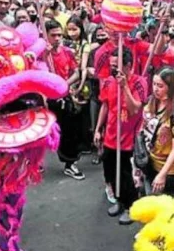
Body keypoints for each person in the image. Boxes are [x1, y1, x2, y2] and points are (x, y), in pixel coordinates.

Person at [95, 49, 146, 225]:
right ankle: (119, 201)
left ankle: (130, 207)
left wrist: (124, 86)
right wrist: (98, 128)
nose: (113, 70)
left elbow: (135, 109)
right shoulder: (109, 82)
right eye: (112, 66)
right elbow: (105, 106)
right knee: (110, 173)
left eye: (117, 66)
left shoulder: (139, 82)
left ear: (128, 65)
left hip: (128, 139)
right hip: (110, 136)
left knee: (126, 176)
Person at [44, 20, 85, 181]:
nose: (57, 38)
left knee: (69, 132)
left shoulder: (68, 52)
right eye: (53, 35)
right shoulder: (41, 54)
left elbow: (76, 72)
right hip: (46, 99)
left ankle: (70, 164)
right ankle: (35, 163)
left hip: (64, 97)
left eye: (60, 35)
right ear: (46, 36)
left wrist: (63, 85)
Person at [139, 67, 174, 196]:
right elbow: (143, 128)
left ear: (170, 87)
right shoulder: (151, 101)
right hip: (148, 161)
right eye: (154, 84)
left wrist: (162, 174)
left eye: (160, 86)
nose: (155, 88)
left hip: (167, 169)